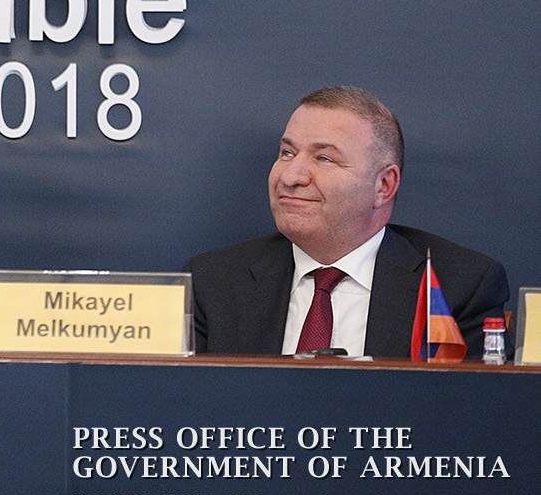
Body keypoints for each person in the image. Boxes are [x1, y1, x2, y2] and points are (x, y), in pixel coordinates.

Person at [185, 86, 508, 358]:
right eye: (287, 153)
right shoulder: (213, 282)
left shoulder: (459, 286)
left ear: (383, 186)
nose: (291, 176)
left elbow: (467, 408)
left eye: (324, 158)